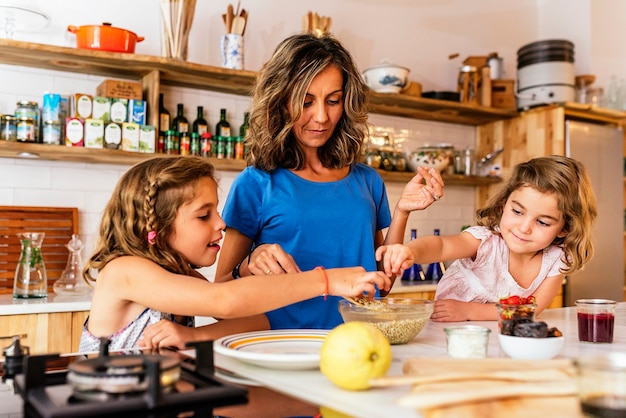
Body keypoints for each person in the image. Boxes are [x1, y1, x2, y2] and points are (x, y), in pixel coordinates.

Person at [209, 32, 444, 332]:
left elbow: (381, 286)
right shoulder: (255, 184)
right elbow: (221, 298)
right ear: (281, 102)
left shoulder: (368, 182)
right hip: (282, 349)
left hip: (356, 345)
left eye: (333, 101)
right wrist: (250, 264)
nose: (321, 117)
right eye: (306, 102)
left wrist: (402, 211)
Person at [77, 156, 391, 352]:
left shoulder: (181, 274)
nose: (221, 223)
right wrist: (327, 281)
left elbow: (255, 320)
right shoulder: (124, 271)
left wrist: (193, 335)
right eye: (204, 216)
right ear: (155, 226)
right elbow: (225, 301)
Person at [376, 155, 597, 321]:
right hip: (450, 331)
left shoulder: (557, 259)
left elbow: (532, 308)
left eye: (542, 222)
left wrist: (468, 310)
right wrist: (411, 252)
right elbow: (441, 246)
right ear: (504, 205)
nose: (524, 227)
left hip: (501, 336)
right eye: (518, 212)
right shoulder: (486, 242)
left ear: (564, 228)